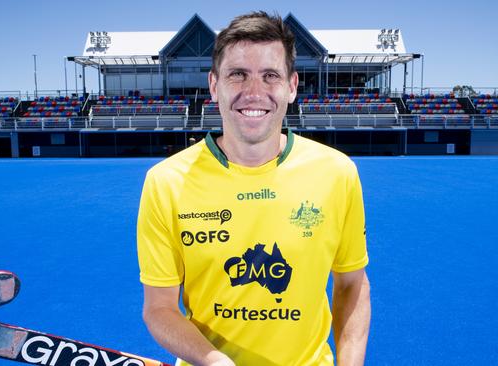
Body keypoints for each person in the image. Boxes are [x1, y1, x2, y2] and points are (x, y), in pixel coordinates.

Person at [137, 11, 370, 366]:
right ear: (214, 85)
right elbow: (159, 308)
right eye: (238, 75)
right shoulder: (165, 182)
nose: (254, 92)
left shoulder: (337, 173)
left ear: (292, 86)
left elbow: (352, 283)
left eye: (270, 75)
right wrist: (214, 360)